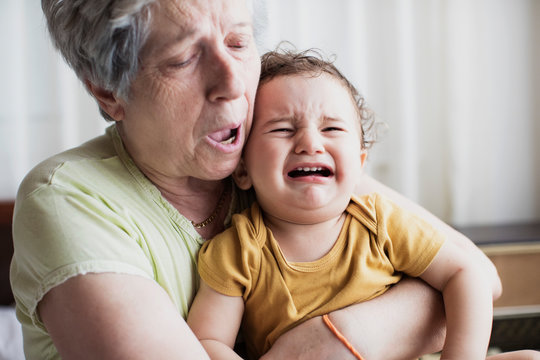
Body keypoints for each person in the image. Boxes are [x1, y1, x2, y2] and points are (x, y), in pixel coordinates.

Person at [9, 0, 503, 359]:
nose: (233, 84)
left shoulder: (285, 158)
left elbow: (475, 278)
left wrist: (332, 339)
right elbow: (437, 305)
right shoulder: (69, 200)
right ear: (108, 89)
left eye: (239, 42)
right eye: (183, 58)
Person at [187, 48, 540, 360]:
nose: (310, 143)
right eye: (282, 129)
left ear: (359, 164)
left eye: (332, 130)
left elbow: (469, 274)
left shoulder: (381, 222)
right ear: (243, 170)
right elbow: (207, 341)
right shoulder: (237, 251)